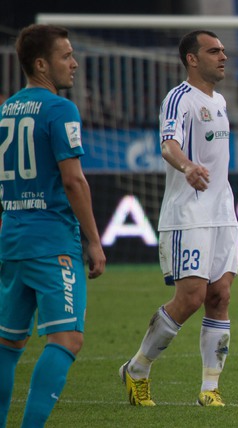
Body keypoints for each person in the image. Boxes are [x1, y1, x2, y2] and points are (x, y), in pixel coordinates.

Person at [119, 30, 238, 408]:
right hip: (188, 213)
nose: (223, 57)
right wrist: (188, 167)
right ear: (192, 59)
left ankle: (209, 388)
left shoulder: (219, 101)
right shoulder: (179, 98)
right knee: (190, 298)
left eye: (223, 51)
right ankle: (137, 368)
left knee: (220, 296)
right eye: (214, 51)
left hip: (222, 213)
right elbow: (168, 144)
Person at [0, 24, 106, 427]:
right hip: (52, 241)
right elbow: (73, 180)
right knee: (67, 338)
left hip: (13, 238)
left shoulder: (6, 109)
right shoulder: (60, 109)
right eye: (66, 56)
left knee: (8, 344)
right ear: (41, 64)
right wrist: (93, 241)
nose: (74, 63)